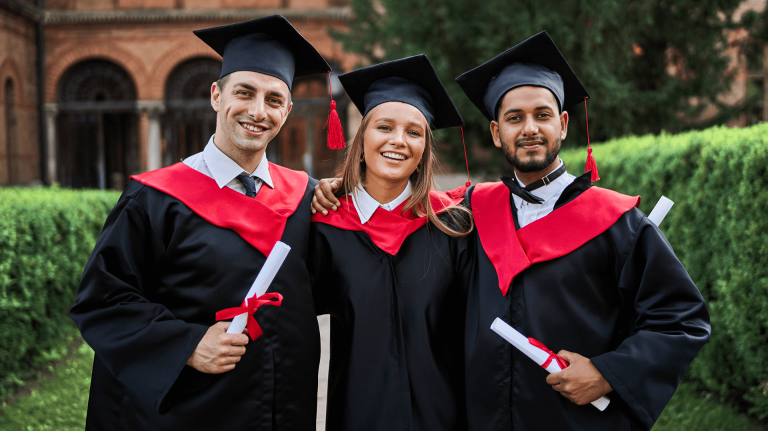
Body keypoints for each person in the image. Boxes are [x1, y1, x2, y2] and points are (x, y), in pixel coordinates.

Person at [70, 16, 331, 430]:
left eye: (274, 99)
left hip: (281, 406)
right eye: (244, 93)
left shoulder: (305, 198)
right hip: (191, 409)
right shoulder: (155, 199)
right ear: (215, 95)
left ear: (288, 110)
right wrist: (188, 344)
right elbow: (104, 300)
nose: (258, 111)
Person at [452, 31, 711, 430]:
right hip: (484, 418)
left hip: (577, 421)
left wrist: (608, 373)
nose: (530, 129)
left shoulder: (616, 221)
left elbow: (680, 319)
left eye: (542, 114)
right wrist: (334, 189)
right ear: (495, 132)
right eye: (514, 118)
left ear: (564, 123)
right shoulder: (472, 212)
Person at [308, 55, 474, 431]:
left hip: (443, 415)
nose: (399, 141)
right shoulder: (325, 227)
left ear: (423, 154)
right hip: (356, 412)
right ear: (361, 139)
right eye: (384, 127)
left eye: (414, 132)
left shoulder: (454, 227)